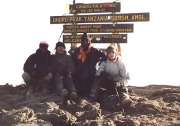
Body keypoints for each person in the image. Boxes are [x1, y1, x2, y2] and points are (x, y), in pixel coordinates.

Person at [70, 33, 106, 98]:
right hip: (78, 74)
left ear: (89, 41)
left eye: (86, 40)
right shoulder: (77, 51)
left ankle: (88, 95)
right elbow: (72, 60)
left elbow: (104, 57)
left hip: (91, 74)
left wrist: (100, 64)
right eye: (83, 40)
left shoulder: (94, 51)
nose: (84, 42)